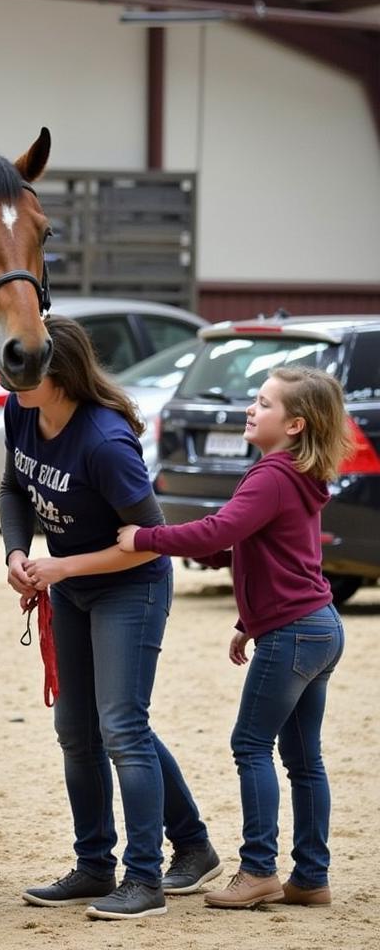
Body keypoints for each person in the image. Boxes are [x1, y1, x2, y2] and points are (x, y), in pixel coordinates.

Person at [0, 316, 219, 921]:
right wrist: (17, 552)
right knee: (77, 729)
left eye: (26, 369)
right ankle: (98, 864)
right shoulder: (24, 412)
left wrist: (65, 568)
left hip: (131, 587)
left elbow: (152, 541)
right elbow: (14, 488)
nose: (11, 377)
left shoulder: (103, 441)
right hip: (75, 586)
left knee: (121, 726)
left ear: (61, 376)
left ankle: (144, 879)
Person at [118, 366, 350, 910]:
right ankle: (311, 876)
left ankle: (258, 870)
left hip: (294, 632)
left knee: (250, 745)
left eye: (264, 403)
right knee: (303, 759)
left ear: (294, 424)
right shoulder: (296, 474)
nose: (250, 407)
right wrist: (250, 620)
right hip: (317, 625)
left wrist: (143, 538)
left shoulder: (271, 475)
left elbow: (220, 529)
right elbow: (272, 551)